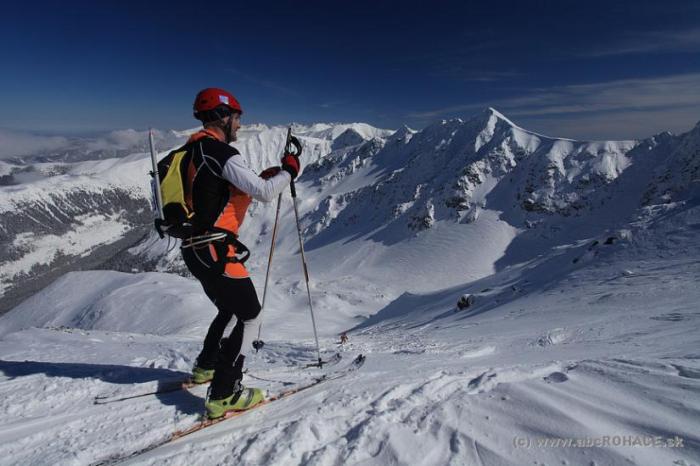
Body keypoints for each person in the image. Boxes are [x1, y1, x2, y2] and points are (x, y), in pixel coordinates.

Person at [173, 87, 301, 419]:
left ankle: (206, 367)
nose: (240, 125)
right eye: (236, 117)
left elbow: (219, 193)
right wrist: (289, 170)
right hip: (214, 248)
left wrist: (263, 177)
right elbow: (265, 193)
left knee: (230, 309)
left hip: (195, 248)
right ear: (222, 117)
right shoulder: (219, 152)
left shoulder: (192, 151)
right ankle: (224, 393)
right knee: (251, 315)